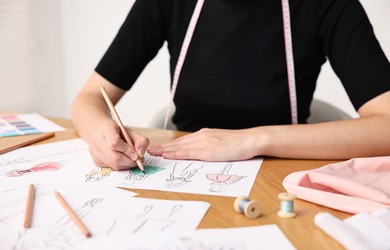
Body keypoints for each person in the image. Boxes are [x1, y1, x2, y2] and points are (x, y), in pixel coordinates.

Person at [71, 0, 390, 171]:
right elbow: (88, 98)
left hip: (279, 176)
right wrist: (101, 133)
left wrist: (256, 139)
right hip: (185, 173)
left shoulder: (329, 6)